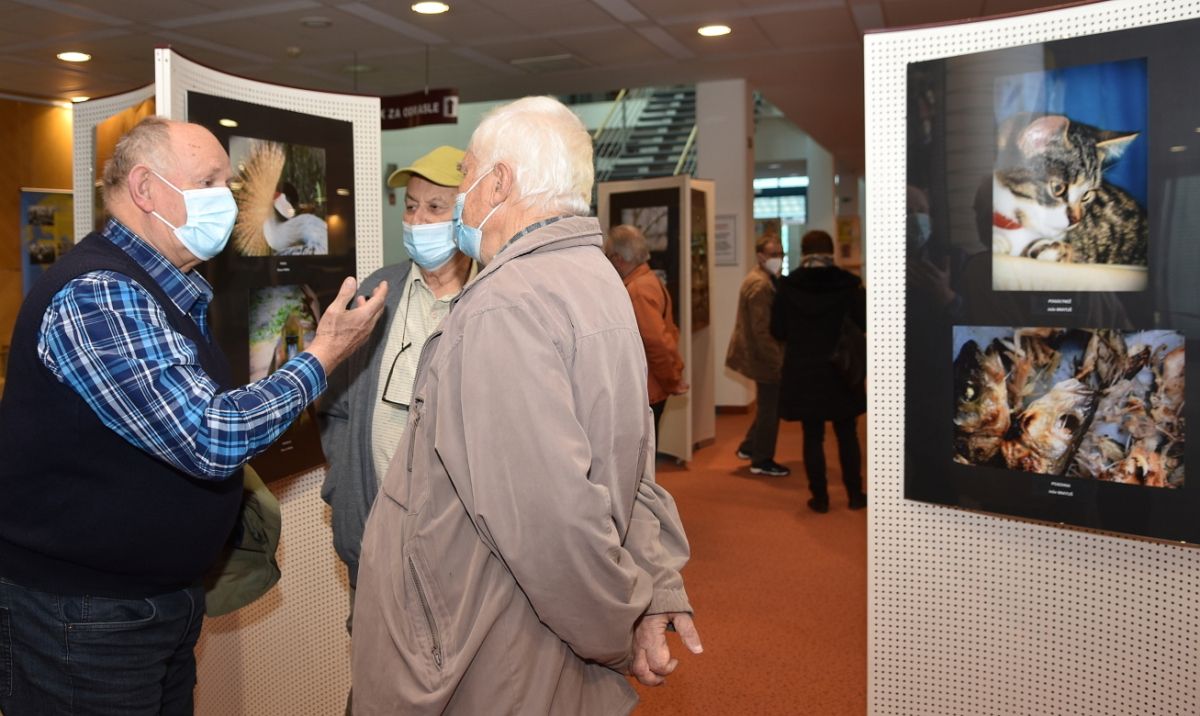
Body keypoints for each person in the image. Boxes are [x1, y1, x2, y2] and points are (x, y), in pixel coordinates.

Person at [0, 116, 387, 715]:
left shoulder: (167, 289)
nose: (225, 200)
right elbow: (208, 436)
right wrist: (324, 354)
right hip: (85, 617)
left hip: (152, 602)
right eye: (208, 182)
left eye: (226, 184)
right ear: (145, 188)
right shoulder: (98, 293)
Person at [352, 96, 702, 715]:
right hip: (532, 634)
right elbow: (630, 465)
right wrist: (649, 586)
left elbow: (551, 524)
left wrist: (616, 627)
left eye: (466, 176)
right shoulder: (595, 278)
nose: (461, 195)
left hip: (490, 641)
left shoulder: (502, 305)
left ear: (499, 182)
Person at [318, 145, 471, 622]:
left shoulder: (492, 302)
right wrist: (345, 487)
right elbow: (336, 406)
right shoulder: (377, 291)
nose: (417, 220)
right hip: (374, 538)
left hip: (460, 556)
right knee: (371, 662)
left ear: (466, 214)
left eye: (435, 207)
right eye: (410, 206)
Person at [772, 229, 867, 513]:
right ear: (831, 251)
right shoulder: (850, 284)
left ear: (803, 252)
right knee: (847, 433)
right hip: (842, 369)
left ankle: (821, 498)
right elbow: (863, 322)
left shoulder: (788, 286)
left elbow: (777, 329)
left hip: (805, 370)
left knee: (812, 435)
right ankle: (855, 494)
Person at [604, 223, 689, 444]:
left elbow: (656, 342)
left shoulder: (638, 289)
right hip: (653, 384)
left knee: (642, 453)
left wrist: (671, 380)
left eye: (608, 256)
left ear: (618, 258)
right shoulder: (649, 280)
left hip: (648, 387)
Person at [726, 234, 788, 476]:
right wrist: (777, 361)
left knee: (767, 405)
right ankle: (762, 460)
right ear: (761, 256)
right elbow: (761, 331)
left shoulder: (762, 278)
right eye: (773, 254)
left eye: (780, 253)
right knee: (770, 409)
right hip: (762, 356)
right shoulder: (760, 285)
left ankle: (750, 447)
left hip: (758, 354)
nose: (778, 258)